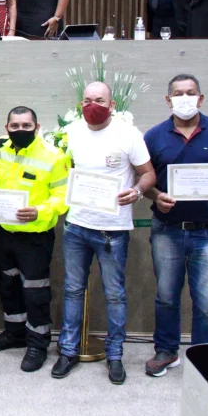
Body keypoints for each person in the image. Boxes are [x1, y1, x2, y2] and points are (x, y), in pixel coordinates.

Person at [51, 82, 156, 385]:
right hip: (77, 225)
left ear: (111, 105)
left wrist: (136, 192)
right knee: (72, 289)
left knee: (114, 294)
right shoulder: (70, 131)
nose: (91, 105)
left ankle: (115, 355)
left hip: (113, 229)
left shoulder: (128, 134)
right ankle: (68, 351)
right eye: (86, 100)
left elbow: (148, 173)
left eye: (98, 100)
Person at [143, 74, 208, 377]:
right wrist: (156, 195)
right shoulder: (154, 136)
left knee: (206, 303)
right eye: (178, 93)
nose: (184, 98)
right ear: (168, 100)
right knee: (166, 296)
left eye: (190, 93)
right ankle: (166, 352)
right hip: (167, 230)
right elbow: (146, 180)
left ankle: (204, 360)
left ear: (201, 98)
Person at [0, 107, 69, 373]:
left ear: (37, 126)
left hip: (35, 237)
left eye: (26, 125)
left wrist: (39, 211)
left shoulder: (54, 156)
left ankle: (38, 343)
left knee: (35, 293)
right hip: (5, 235)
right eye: (15, 125)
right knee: (7, 285)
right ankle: (15, 333)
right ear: (7, 127)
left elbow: (62, 196)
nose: (20, 130)